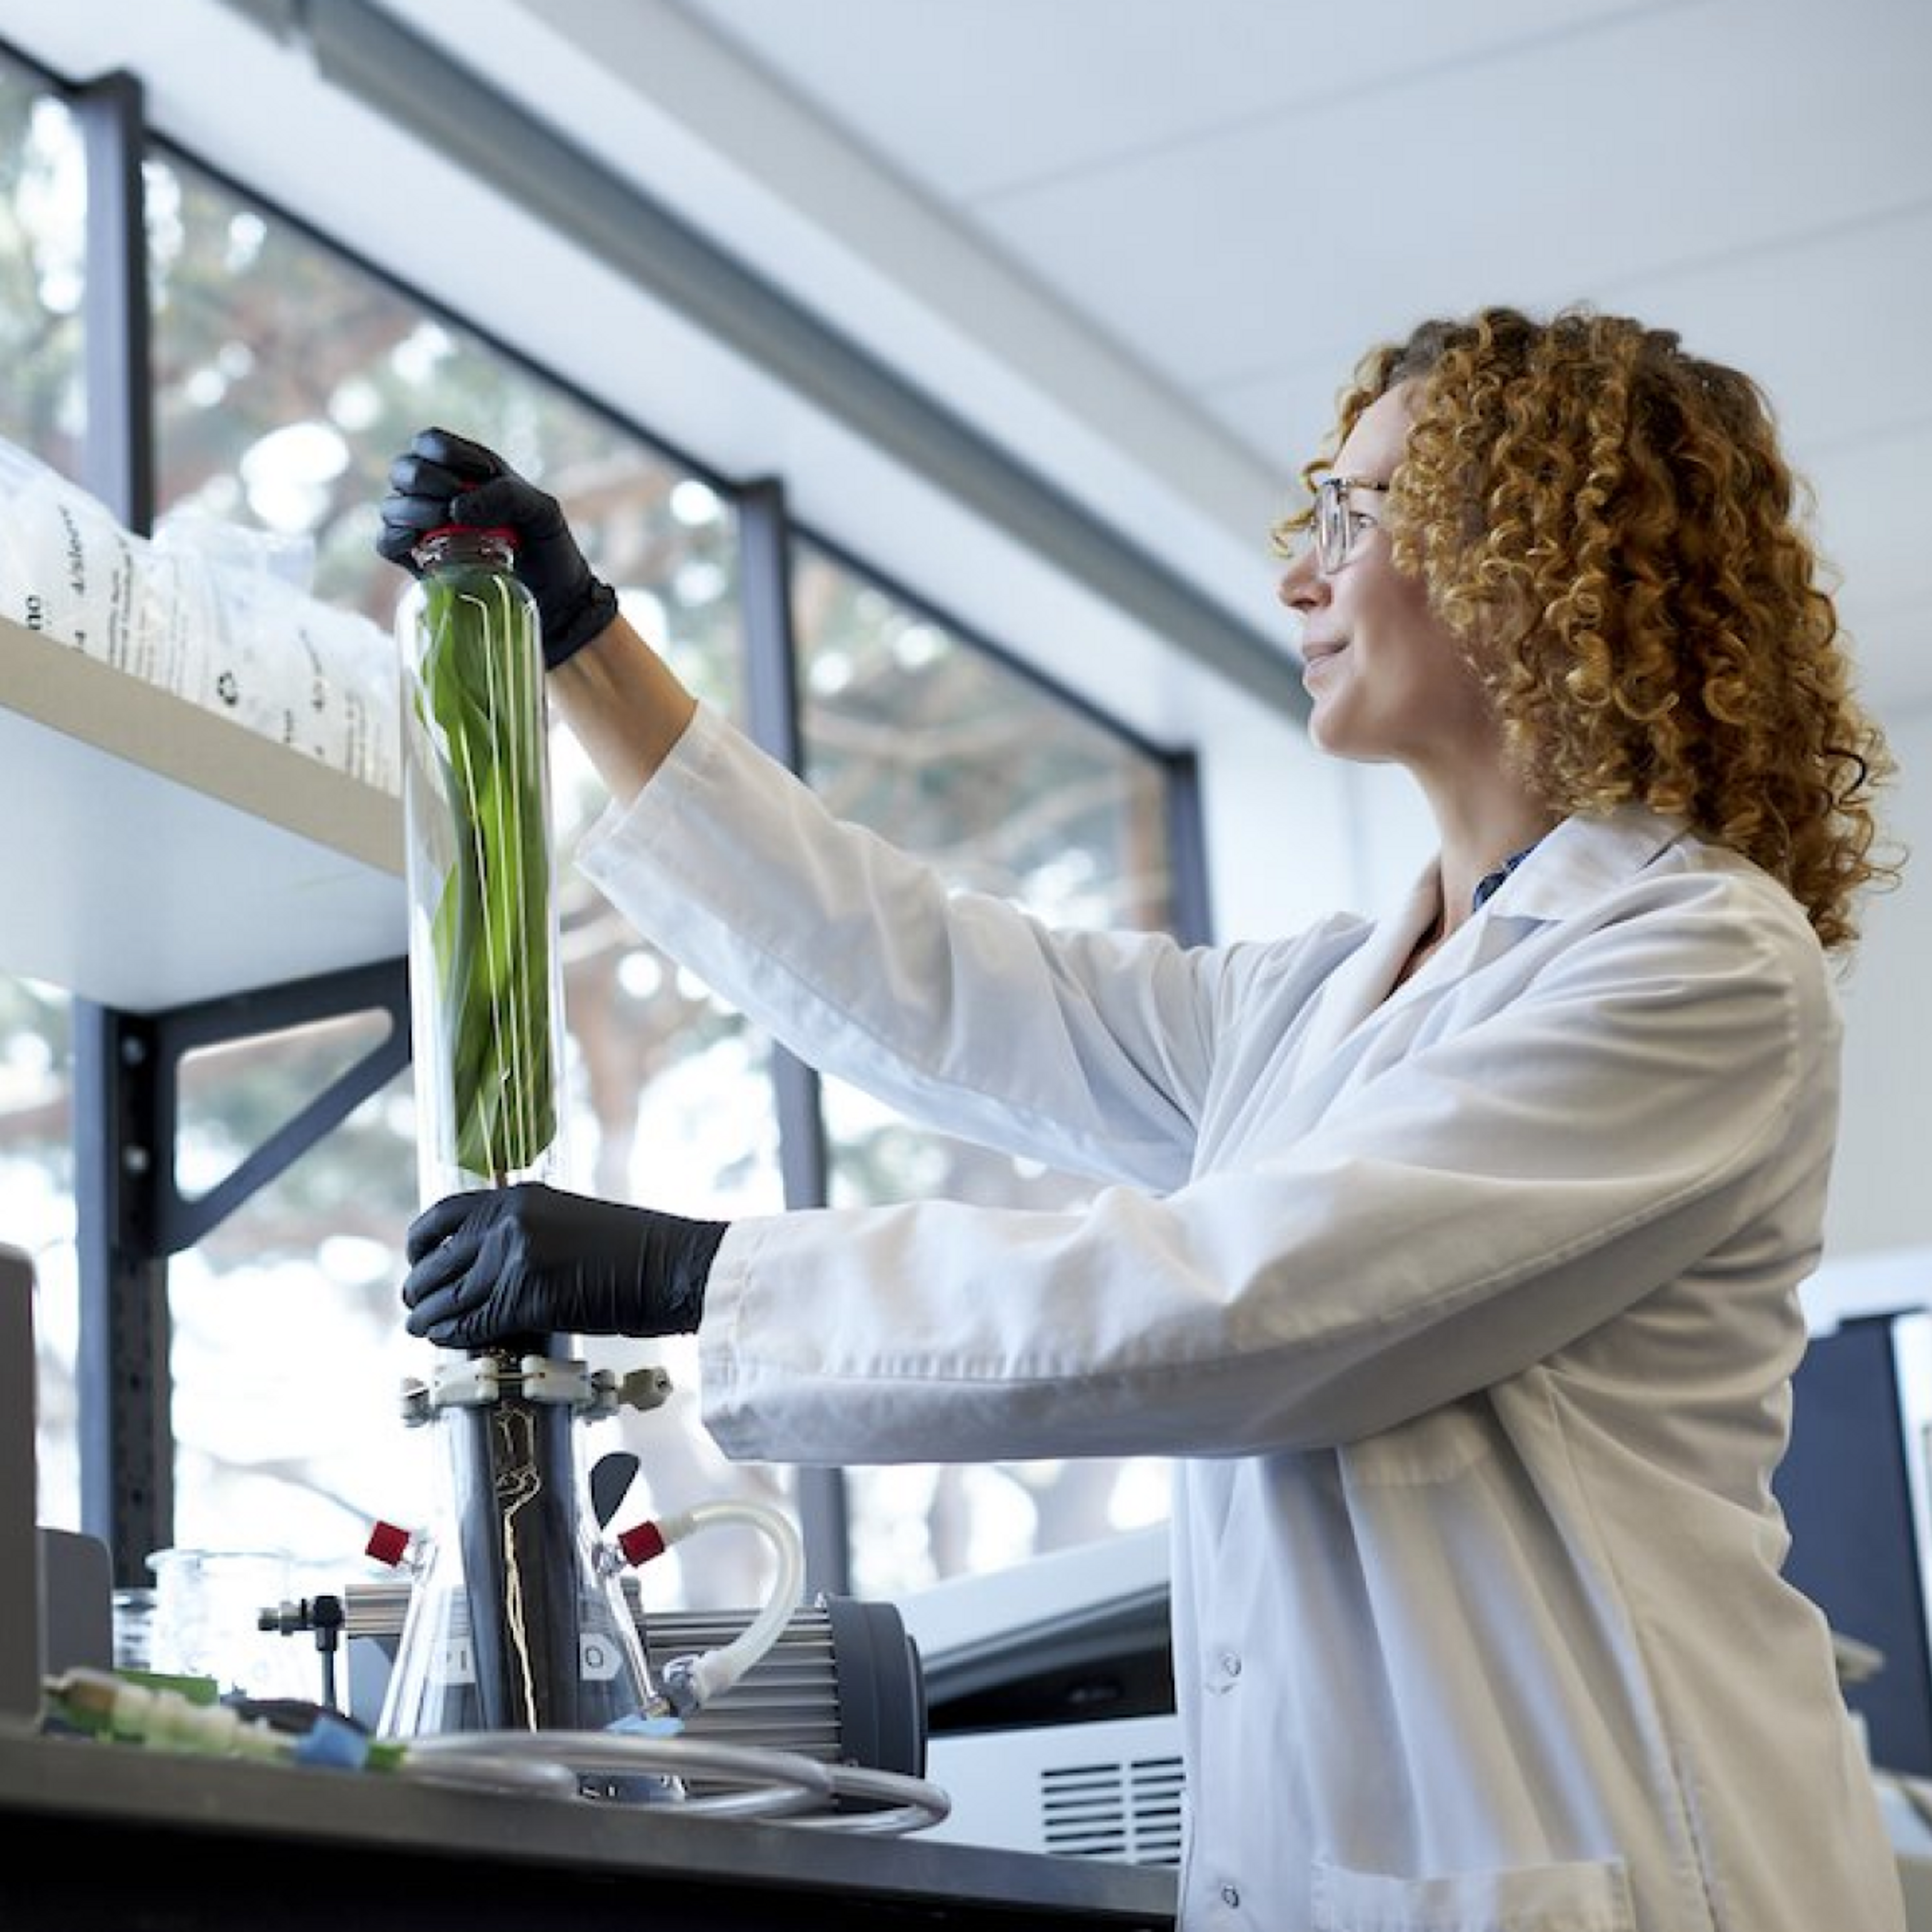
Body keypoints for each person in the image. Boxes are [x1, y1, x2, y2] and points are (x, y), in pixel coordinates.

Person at [377, 304, 1907, 1932]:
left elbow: (1253, 1303)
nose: (1300, 578)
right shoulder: (1320, 1005)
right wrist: (585, 643)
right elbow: (942, 987)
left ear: (1536, 559)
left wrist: (696, 1275)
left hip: (1640, 1863)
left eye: (1361, 517)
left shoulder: (1699, 962)